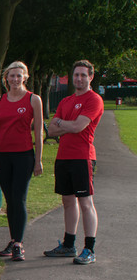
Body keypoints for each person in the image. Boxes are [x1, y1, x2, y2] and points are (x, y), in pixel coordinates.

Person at [42, 59, 103, 265]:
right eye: (76, 75)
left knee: (85, 202)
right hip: (63, 157)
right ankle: (69, 245)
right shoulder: (65, 101)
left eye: (83, 75)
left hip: (82, 156)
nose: (79, 78)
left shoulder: (94, 100)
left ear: (91, 77)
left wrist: (62, 123)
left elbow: (78, 127)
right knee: (67, 201)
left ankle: (89, 249)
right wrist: (64, 125)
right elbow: (51, 130)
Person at [0, 61, 44, 262]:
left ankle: (18, 243)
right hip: (2, 155)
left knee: (19, 198)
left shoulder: (33, 100)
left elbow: (38, 131)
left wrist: (38, 160)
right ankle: (13, 239)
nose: (15, 79)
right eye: (12, 76)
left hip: (23, 156)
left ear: (25, 77)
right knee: (10, 200)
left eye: (19, 76)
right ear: (6, 78)